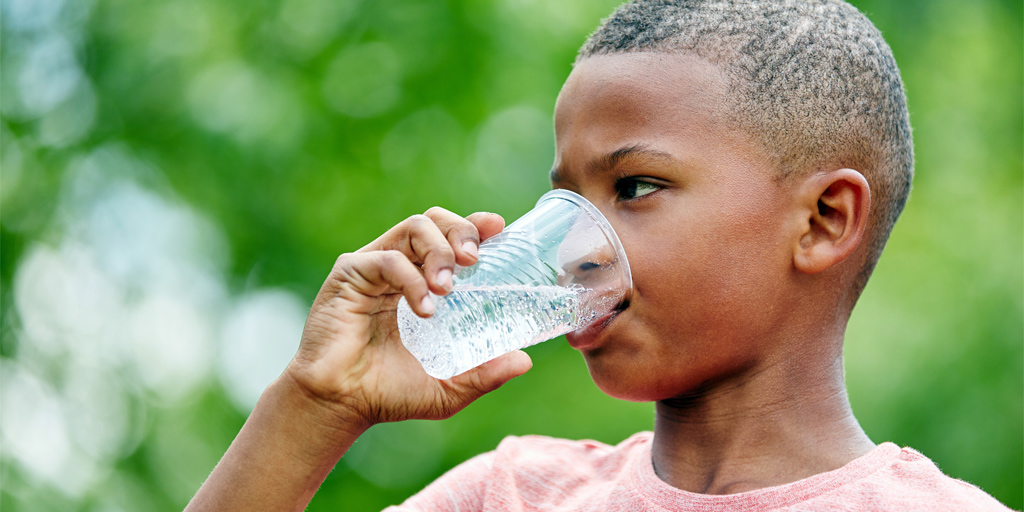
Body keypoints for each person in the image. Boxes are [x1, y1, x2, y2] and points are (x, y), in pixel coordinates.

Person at [186, 0, 1013, 510]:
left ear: (825, 220)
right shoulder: (510, 497)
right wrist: (313, 405)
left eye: (638, 187)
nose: (576, 249)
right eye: (565, 201)